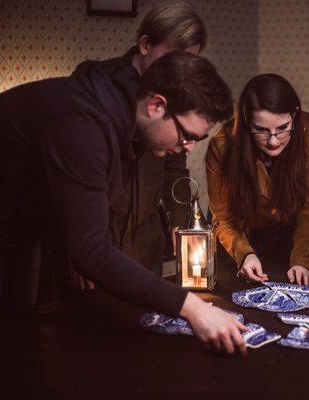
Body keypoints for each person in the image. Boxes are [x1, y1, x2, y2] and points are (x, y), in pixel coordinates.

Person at [0, 51, 248, 355]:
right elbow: (92, 251)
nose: (188, 147)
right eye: (186, 136)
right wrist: (193, 308)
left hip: (22, 235)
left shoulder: (124, 120)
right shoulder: (83, 124)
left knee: (18, 338)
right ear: (156, 106)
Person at [66, 1, 208, 289]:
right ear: (145, 45)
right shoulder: (97, 87)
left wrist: (180, 224)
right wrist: (78, 248)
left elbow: (175, 169)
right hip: (97, 245)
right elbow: (71, 181)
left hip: (145, 247)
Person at [206, 74, 309, 286]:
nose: (273, 141)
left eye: (282, 128)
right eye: (261, 130)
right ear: (246, 122)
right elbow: (223, 216)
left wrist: (302, 261)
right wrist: (244, 254)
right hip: (236, 230)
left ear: (295, 115)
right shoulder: (222, 145)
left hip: (285, 226)